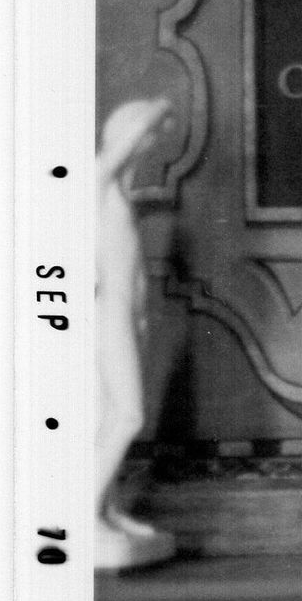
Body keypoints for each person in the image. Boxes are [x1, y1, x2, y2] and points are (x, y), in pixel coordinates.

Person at [95, 98, 178, 568]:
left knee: (109, 417)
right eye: (147, 138)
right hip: (107, 315)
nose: (150, 144)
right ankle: (81, 513)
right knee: (127, 416)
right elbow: (129, 135)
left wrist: (143, 320)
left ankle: (107, 512)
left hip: (129, 316)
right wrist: (161, 106)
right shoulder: (96, 181)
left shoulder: (121, 193)